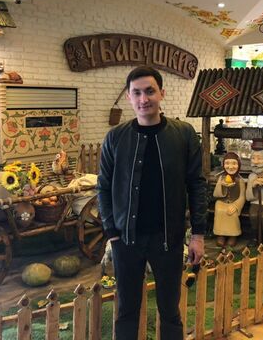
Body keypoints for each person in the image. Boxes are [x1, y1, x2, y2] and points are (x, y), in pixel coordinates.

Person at [97, 66, 207, 340]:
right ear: (129, 97)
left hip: (168, 239)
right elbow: (103, 187)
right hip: (126, 240)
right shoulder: (115, 138)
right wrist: (112, 233)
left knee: (170, 310)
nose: (143, 99)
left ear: (161, 93)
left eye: (149, 91)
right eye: (137, 93)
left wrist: (198, 235)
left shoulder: (184, 135)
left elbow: (197, 184)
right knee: (126, 311)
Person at [213, 152, 246, 247]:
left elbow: (242, 197)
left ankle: (233, 235)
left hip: (234, 202)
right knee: (219, 209)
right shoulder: (221, 178)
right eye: (227, 163)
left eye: (234, 163)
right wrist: (221, 185)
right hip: (222, 201)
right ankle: (220, 234)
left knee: (231, 212)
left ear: (238, 165)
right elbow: (216, 194)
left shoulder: (240, 180)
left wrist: (236, 206)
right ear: (223, 165)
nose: (230, 167)